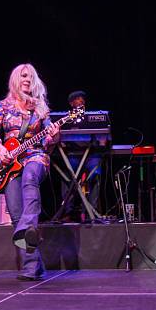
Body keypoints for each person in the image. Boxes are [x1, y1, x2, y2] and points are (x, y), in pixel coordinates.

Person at [0, 63, 60, 280]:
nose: (27, 79)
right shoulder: (4, 106)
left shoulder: (40, 108)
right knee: (16, 214)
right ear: (16, 80)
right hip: (9, 164)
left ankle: (28, 226)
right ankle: (33, 267)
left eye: (30, 76)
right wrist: (1, 150)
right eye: (23, 76)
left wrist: (55, 136)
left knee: (30, 178)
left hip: (36, 156)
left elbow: (49, 140)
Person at [59, 90, 103, 222]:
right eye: (78, 99)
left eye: (82, 98)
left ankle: (91, 211)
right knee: (67, 175)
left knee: (96, 174)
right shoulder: (65, 118)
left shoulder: (92, 117)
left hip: (91, 154)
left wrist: (103, 140)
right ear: (71, 103)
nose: (81, 101)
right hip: (73, 154)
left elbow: (103, 136)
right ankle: (68, 211)